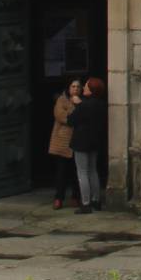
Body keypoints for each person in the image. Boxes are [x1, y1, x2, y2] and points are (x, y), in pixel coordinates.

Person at [68, 75, 105, 214]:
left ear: (92, 89)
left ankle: (85, 203)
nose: (84, 87)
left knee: (82, 172)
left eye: (87, 86)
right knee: (93, 170)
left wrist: (77, 105)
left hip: (81, 141)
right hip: (95, 140)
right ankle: (96, 200)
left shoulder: (84, 105)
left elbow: (71, 120)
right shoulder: (101, 104)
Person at [48, 78, 82, 209]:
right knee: (61, 172)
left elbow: (83, 116)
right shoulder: (61, 100)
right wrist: (74, 114)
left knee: (76, 172)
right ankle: (58, 198)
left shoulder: (83, 102)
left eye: (78, 87)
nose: (75, 89)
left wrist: (77, 108)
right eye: (73, 86)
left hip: (77, 140)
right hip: (62, 141)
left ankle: (75, 197)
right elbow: (60, 116)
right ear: (68, 88)